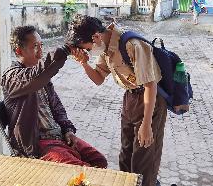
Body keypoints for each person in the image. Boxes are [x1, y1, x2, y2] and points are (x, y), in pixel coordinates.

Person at [67, 15, 167, 186]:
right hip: (130, 98)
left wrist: (147, 123)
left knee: (143, 161)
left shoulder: (132, 44)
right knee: (126, 157)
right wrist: (84, 63)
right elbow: (98, 78)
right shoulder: (106, 46)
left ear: (95, 37)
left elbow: (151, 85)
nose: (90, 52)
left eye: (88, 49)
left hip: (149, 100)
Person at [1, 25, 107, 168]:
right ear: (19, 51)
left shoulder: (43, 79)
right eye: (35, 47)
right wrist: (65, 50)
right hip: (37, 143)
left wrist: (68, 130)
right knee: (83, 171)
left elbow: (57, 108)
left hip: (59, 136)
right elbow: (35, 76)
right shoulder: (12, 77)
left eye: (41, 45)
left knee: (99, 161)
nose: (40, 53)